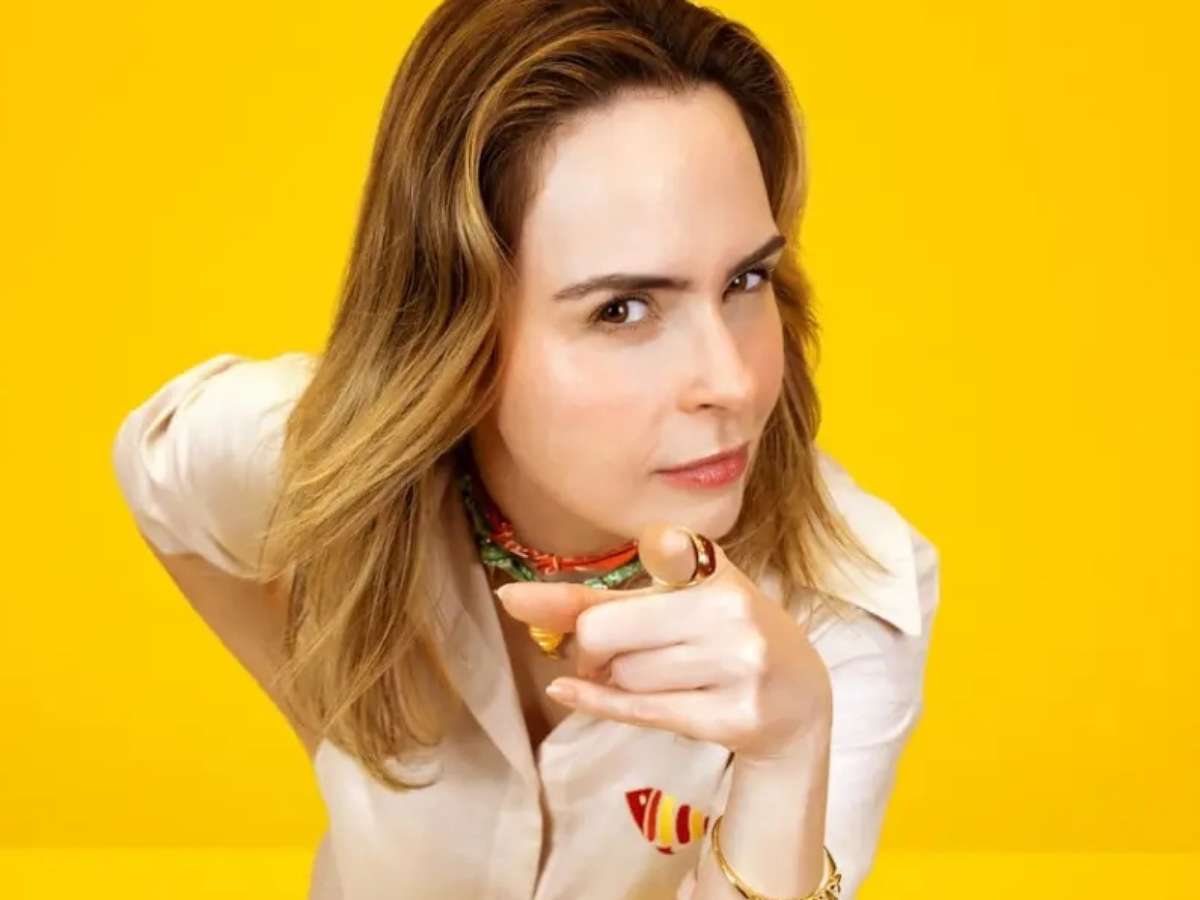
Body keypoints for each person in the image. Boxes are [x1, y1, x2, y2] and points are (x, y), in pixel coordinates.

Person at [111, 1, 941, 898]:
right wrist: (332, 716)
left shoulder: (852, 601)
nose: (732, 382)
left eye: (746, 279)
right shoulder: (323, 462)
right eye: (622, 309)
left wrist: (786, 757)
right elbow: (157, 469)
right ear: (459, 328)